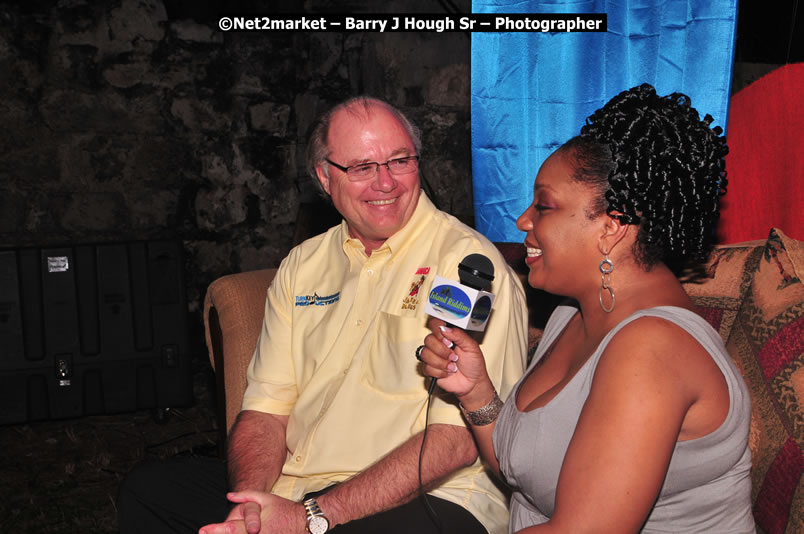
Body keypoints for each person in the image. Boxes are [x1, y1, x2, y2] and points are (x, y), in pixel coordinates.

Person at [117, 96, 527, 534]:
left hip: (434, 494)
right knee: (149, 491)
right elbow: (266, 411)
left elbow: (457, 442)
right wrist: (253, 506)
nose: (385, 183)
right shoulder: (303, 264)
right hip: (300, 486)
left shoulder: (467, 266)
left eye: (399, 160)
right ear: (324, 177)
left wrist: (312, 517)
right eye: (362, 167)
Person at [419, 84, 756, 533]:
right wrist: (476, 394)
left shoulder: (652, 348)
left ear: (612, 228)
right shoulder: (571, 316)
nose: (523, 221)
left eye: (544, 206)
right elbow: (525, 473)